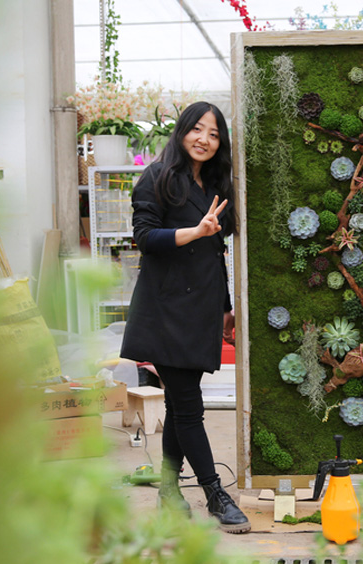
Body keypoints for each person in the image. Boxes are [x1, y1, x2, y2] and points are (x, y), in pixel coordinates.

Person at [120, 102, 250, 534]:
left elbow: (217, 255)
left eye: (214, 134)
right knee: (190, 408)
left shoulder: (213, 183)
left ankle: (169, 493)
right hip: (165, 310)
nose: (204, 140)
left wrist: (226, 307)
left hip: (200, 310)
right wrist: (195, 231)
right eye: (197, 129)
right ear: (181, 133)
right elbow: (144, 237)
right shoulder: (157, 177)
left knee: (178, 406)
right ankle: (215, 493)